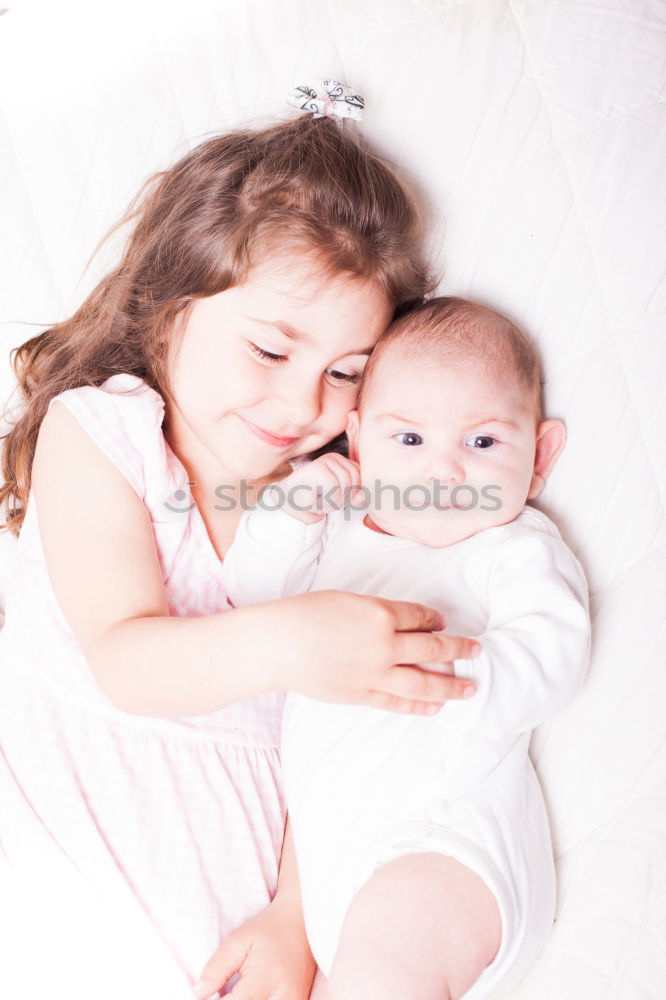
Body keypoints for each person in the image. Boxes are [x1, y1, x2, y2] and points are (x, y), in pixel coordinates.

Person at [0, 102, 482, 1000]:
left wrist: (297, 918)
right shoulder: (108, 438)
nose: (304, 404)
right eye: (270, 348)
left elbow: (335, 753)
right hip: (49, 892)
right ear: (170, 309)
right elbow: (126, 658)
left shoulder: (341, 515)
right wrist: (300, 641)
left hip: (238, 947)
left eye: (347, 373)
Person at [205, 297, 592, 1000]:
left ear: (538, 457)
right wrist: (293, 512)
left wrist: (450, 665)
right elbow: (256, 596)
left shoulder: (511, 546)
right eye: (409, 441)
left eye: (482, 444)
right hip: (338, 878)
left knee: (387, 966)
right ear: (357, 445)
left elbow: (555, 651)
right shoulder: (340, 533)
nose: (441, 471)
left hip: (447, 842)